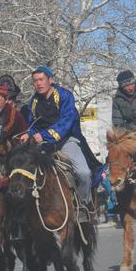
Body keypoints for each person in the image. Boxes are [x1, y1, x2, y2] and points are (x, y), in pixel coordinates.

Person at [20, 66, 99, 207]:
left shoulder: (64, 95)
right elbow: (33, 125)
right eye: (35, 81)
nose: (38, 83)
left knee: (83, 173)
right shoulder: (33, 102)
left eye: (41, 79)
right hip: (43, 144)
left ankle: (83, 204)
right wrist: (28, 134)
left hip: (66, 140)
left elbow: (66, 123)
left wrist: (43, 136)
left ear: (50, 80)